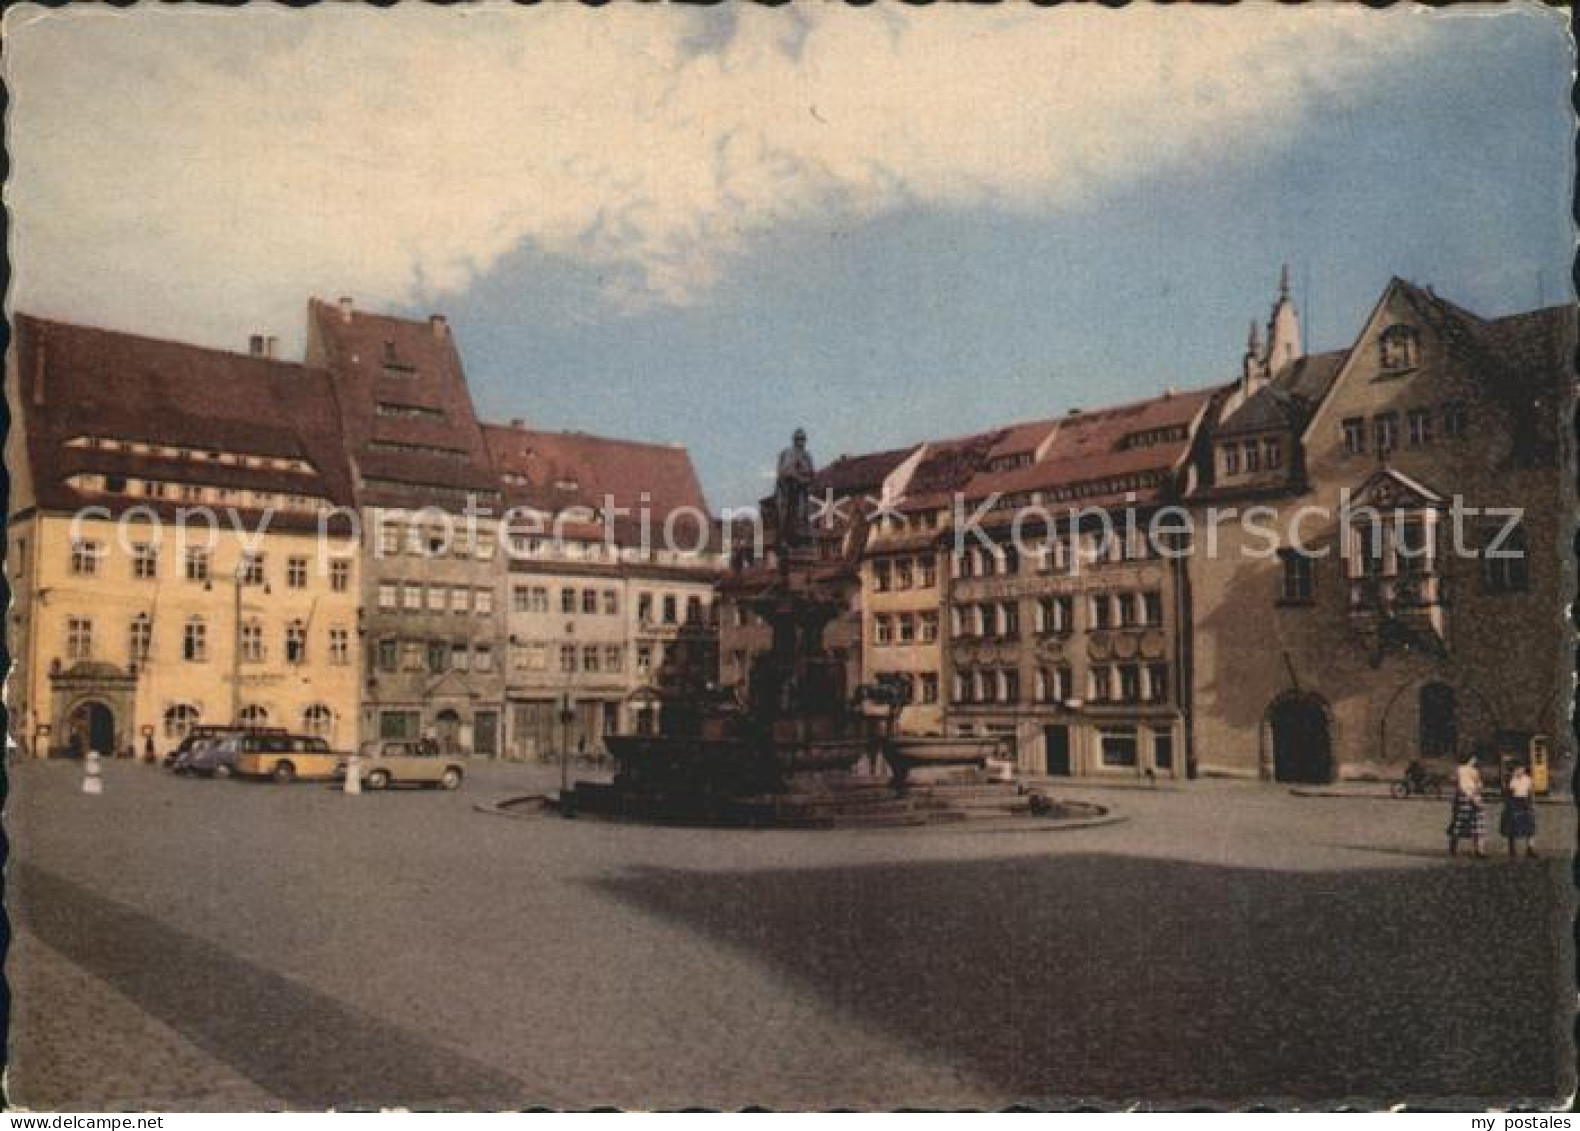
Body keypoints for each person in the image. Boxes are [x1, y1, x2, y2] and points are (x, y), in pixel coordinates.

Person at [1446, 751, 1487, 858]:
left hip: (1470, 797)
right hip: (1467, 798)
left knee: (1472, 824)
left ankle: (1477, 850)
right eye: (1474, 759)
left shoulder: (1471, 771)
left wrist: (1476, 791)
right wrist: (1473, 796)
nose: (1475, 761)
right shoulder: (1463, 770)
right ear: (1470, 759)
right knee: (1468, 823)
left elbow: (1479, 785)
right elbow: (1463, 786)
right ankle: (1475, 850)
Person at [1500, 763, 1538, 858]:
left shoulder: (1527, 779)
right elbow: (1507, 793)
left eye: (1521, 768)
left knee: (1530, 826)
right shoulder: (1511, 779)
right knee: (1512, 826)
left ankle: (1530, 848)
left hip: (1524, 802)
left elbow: (1530, 793)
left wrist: (1532, 805)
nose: (1520, 771)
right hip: (1513, 802)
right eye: (1517, 769)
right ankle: (1512, 849)